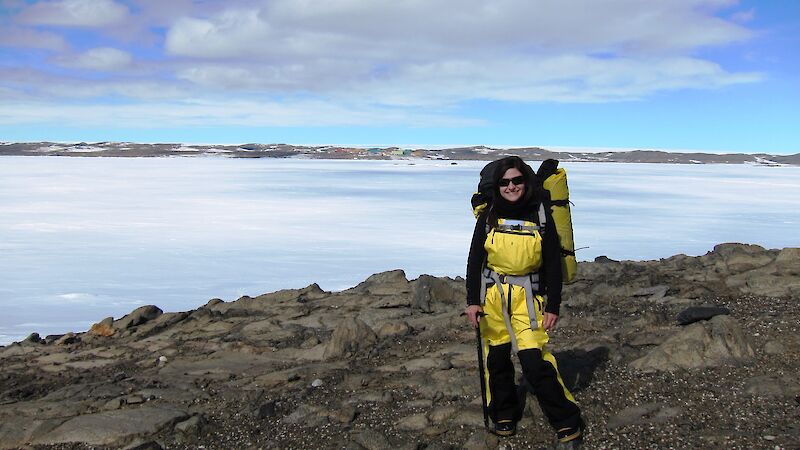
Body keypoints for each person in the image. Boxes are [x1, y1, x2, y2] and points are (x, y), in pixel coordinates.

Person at [465, 156, 583, 445]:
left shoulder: (540, 212)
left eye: (517, 180)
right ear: (498, 185)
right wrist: (472, 301)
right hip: (493, 297)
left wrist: (553, 305)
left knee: (535, 361)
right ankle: (503, 414)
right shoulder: (489, 214)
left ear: (525, 182)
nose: (511, 186)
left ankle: (566, 420)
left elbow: (553, 263)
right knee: (497, 359)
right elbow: (475, 260)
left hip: (528, 299)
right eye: (505, 182)